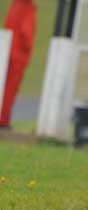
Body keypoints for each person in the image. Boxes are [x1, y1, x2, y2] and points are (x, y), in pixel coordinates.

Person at [0, 0, 36, 129]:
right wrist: (29, 49)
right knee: (10, 90)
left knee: (4, 88)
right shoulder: (28, 8)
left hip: (8, 50)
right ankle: (3, 120)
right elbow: (26, 33)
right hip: (18, 55)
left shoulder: (15, 5)